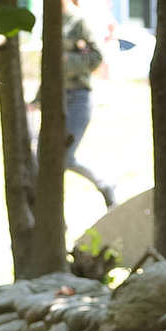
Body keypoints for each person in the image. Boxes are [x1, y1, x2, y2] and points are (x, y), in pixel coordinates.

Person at [61, 12, 113, 203]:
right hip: (58, 98)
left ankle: (104, 184)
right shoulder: (51, 19)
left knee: (65, 157)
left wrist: (69, 60)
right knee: (48, 158)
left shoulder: (78, 21)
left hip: (79, 97)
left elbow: (96, 56)